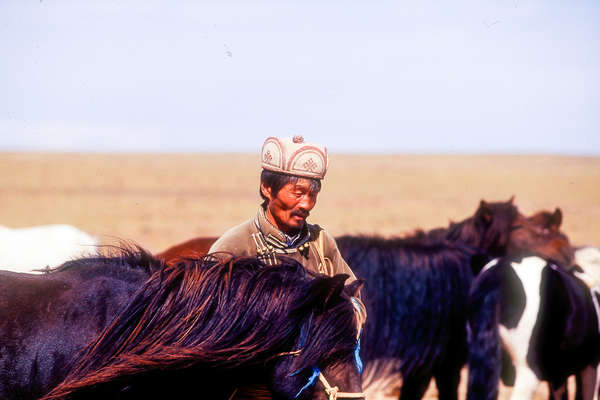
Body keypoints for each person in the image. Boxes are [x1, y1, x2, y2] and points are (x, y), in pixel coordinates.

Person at [209, 135, 358, 282]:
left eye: (313, 195)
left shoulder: (321, 243)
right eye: (298, 194)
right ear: (267, 188)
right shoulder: (232, 248)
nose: (306, 205)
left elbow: (353, 298)